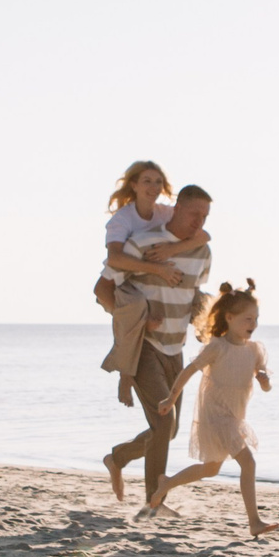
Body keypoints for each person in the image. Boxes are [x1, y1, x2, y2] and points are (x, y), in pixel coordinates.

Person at [103, 185, 213, 510]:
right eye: (194, 213)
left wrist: (210, 326)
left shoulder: (203, 253)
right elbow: (112, 288)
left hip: (175, 347)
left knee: (170, 429)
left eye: (205, 216)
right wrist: (138, 315)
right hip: (144, 345)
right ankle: (155, 500)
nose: (199, 222)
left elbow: (195, 295)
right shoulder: (142, 244)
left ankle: (118, 457)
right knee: (164, 422)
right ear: (176, 208)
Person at [148, 279, 278, 537]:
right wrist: (170, 399)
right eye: (248, 319)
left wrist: (264, 381)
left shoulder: (255, 350)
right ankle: (254, 521)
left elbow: (266, 386)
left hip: (235, 415)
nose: (253, 325)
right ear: (229, 317)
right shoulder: (217, 347)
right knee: (248, 463)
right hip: (215, 415)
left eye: (256, 319)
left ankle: (166, 484)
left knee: (211, 469)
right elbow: (188, 371)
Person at [94, 161, 210, 408]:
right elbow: (115, 258)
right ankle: (126, 376)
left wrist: (171, 249)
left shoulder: (164, 212)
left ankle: (129, 372)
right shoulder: (123, 219)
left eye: (158, 181)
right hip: (121, 282)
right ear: (134, 185)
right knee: (135, 310)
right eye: (147, 181)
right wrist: (158, 268)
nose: (154, 187)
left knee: (190, 299)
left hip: (146, 276)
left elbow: (203, 235)